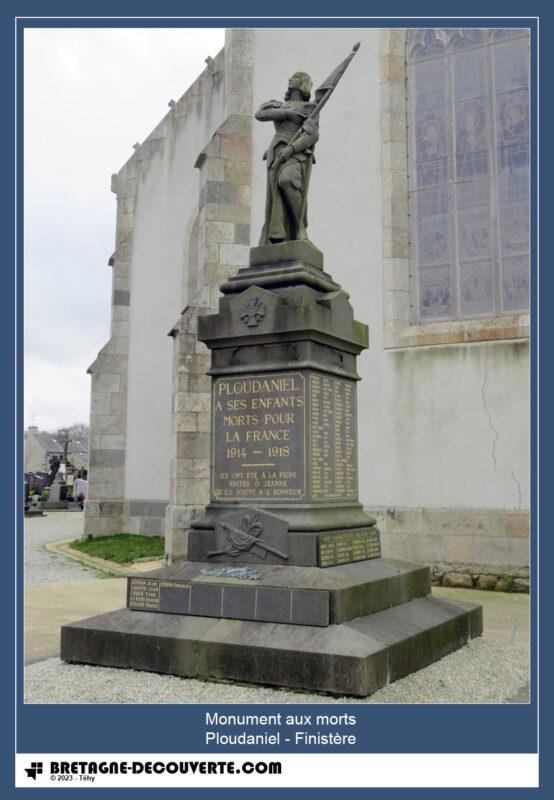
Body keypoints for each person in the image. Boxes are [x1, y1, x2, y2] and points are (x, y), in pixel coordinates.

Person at [256, 71, 319, 244]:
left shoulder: (310, 109)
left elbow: (311, 136)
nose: (291, 79)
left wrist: (291, 149)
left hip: (296, 153)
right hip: (276, 152)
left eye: (296, 77)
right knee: (275, 195)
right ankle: (279, 235)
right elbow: (260, 113)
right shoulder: (278, 105)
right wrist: (287, 114)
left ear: (304, 84)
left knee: (287, 181)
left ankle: (301, 228)